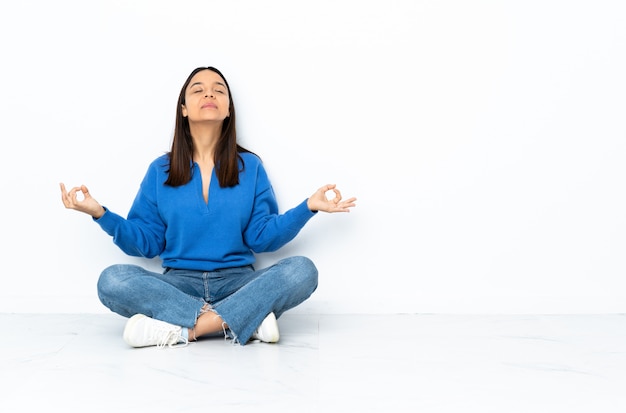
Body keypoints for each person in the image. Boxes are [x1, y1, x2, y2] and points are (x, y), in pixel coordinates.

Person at [59, 66, 356, 349]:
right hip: (178, 284)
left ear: (228, 110)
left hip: (238, 280)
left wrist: (308, 207)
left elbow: (262, 237)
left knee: (302, 271)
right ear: (184, 108)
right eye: (198, 89)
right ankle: (243, 321)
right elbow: (147, 244)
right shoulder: (159, 170)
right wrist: (100, 214)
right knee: (112, 280)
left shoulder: (250, 167)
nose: (209, 94)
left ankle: (187, 329)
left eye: (219, 90)